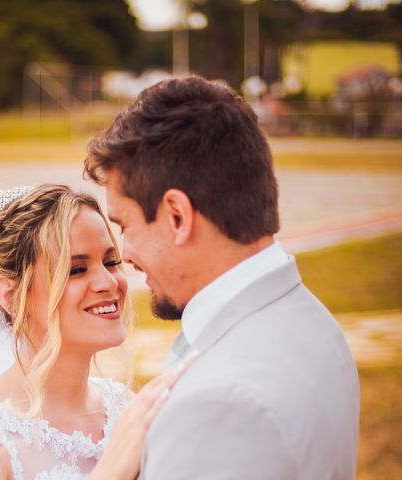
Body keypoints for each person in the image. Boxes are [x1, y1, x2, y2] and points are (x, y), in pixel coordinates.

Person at [84, 75, 360, 479]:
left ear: (177, 217)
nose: (126, 257)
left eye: (125, 226)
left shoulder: (218, 405)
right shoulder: (312, 321)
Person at [0, 184, 192, 480]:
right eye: (76, 270)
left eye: (111, 262)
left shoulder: (127, 408)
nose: (109, 283)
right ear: (11, 296)